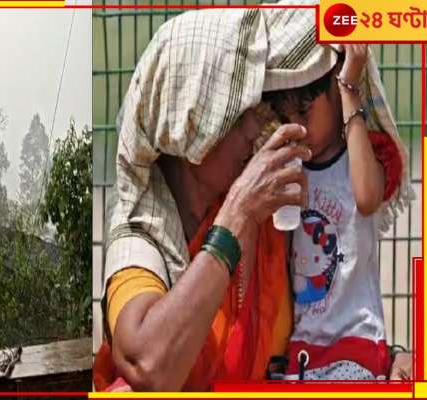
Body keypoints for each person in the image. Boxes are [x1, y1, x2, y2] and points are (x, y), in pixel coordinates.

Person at [93, 4, 414, 392]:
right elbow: (147, 366)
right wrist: (237, 214)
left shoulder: (267, 212)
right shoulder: (140, 240)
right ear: (189, 127)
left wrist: (383, 357)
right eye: (237, 113)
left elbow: (325, 306)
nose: (259, 125)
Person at [263, 44, 405, 380]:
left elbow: (368, 198)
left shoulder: (364, 160)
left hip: (355, 343)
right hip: (302, 348)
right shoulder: (288, 166)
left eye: (305, 112)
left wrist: (348, 88)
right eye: (287, 118)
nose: (296, 126)